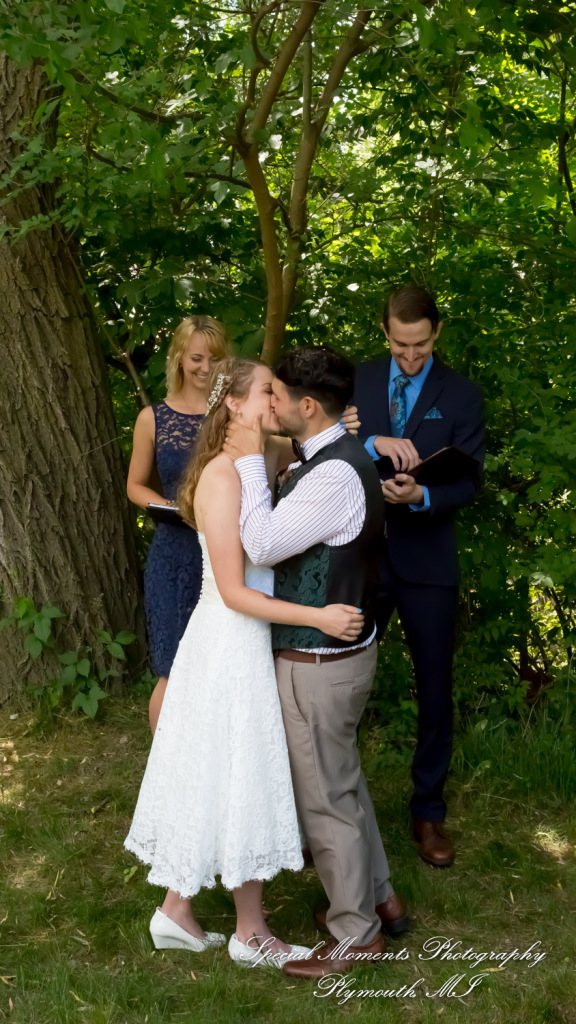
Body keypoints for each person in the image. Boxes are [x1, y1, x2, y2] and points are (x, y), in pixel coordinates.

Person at [124, 357, 365, 968]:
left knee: (222, 774)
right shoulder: (222, 477)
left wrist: (362, 432)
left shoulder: (262, 458)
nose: (278, 402)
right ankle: (249, 931)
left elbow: (311, 440)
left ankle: (177, 910)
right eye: (267, 392)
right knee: (240, 776)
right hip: (229, 639)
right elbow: (233, 590)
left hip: (246, 638)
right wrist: (320, 617)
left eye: (282, 394)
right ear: (233, 403)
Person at [223, 346, 409, 981]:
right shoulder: (329, 460)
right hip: (339, 655)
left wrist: (249, 462)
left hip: (320, 663)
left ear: (306, 406)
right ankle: (379, 897)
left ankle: (354, 933)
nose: (266, 403)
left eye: (274, 394)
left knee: (325, 798)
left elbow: (264, 544)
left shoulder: (332, 475)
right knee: (344, 781)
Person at [353, 285, 485, 867]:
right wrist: (367, 440)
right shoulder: (354, 381)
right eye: (400, 345)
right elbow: (315, 446)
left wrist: (422, 492)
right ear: (385, 332)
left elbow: (469, 482)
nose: (410, 357)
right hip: (359, 555)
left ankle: (428, 811)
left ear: (437, 333)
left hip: (428, 561)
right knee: (337, 687)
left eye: (421, 345)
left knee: (434, 689)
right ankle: (331, 810)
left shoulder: (461, 395)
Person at [127, 315, 231, 732]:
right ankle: (163, 781)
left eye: (216, 358)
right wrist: (166, 505)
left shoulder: (231, 413)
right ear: (179, 360)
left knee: (217, 667)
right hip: (173, 552)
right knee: (172, 669)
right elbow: (134, 485)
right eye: (197, 358)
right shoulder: (153, 418)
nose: (206, 368)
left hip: (222, 552)